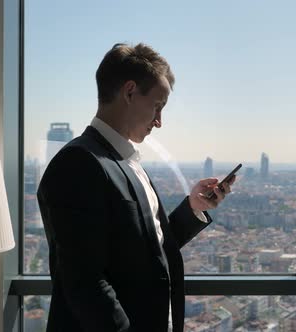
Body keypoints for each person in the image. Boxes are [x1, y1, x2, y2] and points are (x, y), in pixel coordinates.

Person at [37, 43, 235, 332]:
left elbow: (145, 251)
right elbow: (84, 282)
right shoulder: (79, 162)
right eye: (158, 105)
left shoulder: (124, 162)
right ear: (129, 92)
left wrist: (193, 208)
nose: (159, 121)